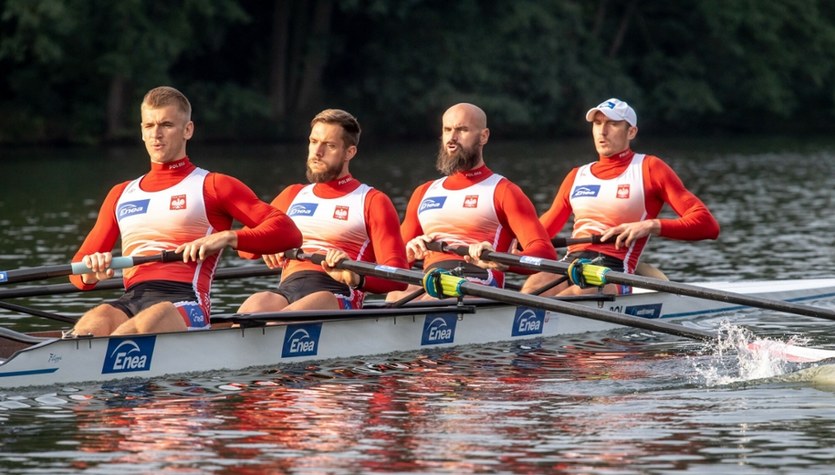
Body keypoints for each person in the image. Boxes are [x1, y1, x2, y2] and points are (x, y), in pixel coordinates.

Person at [69, 86, 303, 336]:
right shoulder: (121, 193)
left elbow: (289, 233)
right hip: (132, 297)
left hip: (184, 301)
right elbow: (77, 271)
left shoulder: (214, 185)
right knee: (93, 321)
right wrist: (90, 272)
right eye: (149, 126)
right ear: (141, 131)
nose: (156, 134)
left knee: (143, 324)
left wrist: (228, 237)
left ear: (187, 130)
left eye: (166, 125)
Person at [521, 98, 720, 296]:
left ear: (631, 132)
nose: (602, 131)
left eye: (613, 124)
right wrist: (514, 244)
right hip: (572, 262)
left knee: (575, 295)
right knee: (533, 286)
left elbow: (708, 225)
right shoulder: (577, 175)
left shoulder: (650, 168)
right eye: (597, 123)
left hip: (614, 268)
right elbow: (540, 234)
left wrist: (650, 225)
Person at [237, 109, 408, 312]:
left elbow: (398, 278)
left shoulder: (373, 201)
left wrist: (355, 277)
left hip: (336, 293)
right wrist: (268, 243)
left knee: (291, 315)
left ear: (349, 153)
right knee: (256, 303)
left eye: (330, 145)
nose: (317, 152)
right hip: (288, 289)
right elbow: (244, 251)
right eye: (313, 141)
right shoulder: (292, 195)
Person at [385, 103, 556, 302]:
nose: (452, 138)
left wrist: (502, 261)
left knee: (428, 301)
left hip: (481, 277)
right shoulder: (424, 192)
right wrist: (408, 251)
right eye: (447, 130)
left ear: (483, 136)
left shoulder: (504, 191)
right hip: (433, 277)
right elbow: (394, 257)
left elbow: (544, 253)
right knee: (395, 295)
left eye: (462, 130)